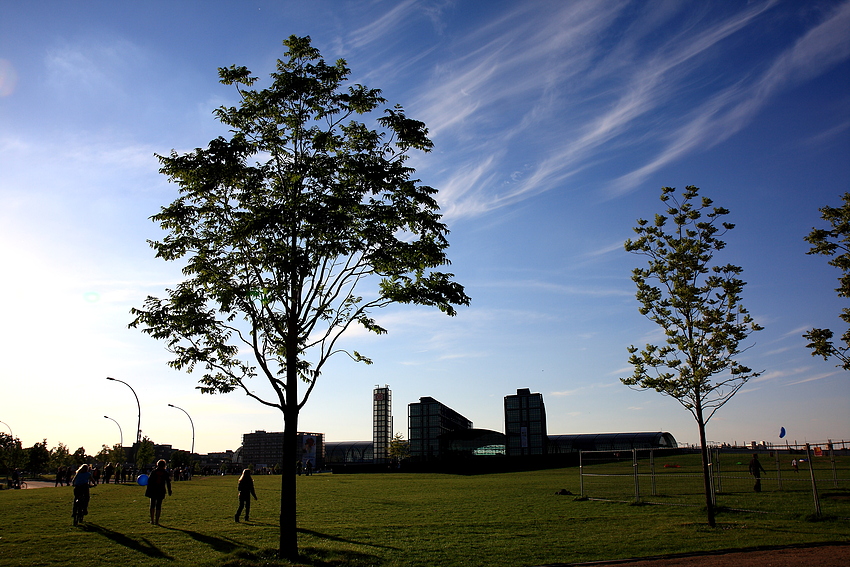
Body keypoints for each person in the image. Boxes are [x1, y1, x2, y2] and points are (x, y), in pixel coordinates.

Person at [145, 459, 172, 525]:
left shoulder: (153, 472)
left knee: (152, 505)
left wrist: (148, 490)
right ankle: (157, 521)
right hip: (161, 490)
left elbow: (149, 481)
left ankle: (152, 520)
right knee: (158, 505)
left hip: (153, 490)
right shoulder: (165, 473)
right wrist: (169, 490)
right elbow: (168, 482)